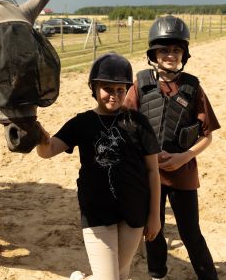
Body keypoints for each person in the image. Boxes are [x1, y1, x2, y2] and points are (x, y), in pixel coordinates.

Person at [37, 53, 161, 280]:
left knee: (121, 275)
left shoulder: (138, 122)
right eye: (107, 88)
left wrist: (154, 216)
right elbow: (48, 151)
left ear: (127, 90)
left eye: (120, 90)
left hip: (134, 211)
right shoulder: (81, 123)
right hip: (96, 212)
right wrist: (39, 137)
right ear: (94, 88)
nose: (114, 95)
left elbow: (153, 171)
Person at [124, 15, 220, 280]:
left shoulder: (192, 87)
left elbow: (207, 135)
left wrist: (184, 157)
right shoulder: (140, 84)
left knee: (190, 232)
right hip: (148, 174)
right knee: (153, 229)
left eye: (176, 50)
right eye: (164, 49)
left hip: (182, 172)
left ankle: (208, 276)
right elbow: (123, 125)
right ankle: (158, 275)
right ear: (153, 53)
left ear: (184, 54)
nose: (170, 54)